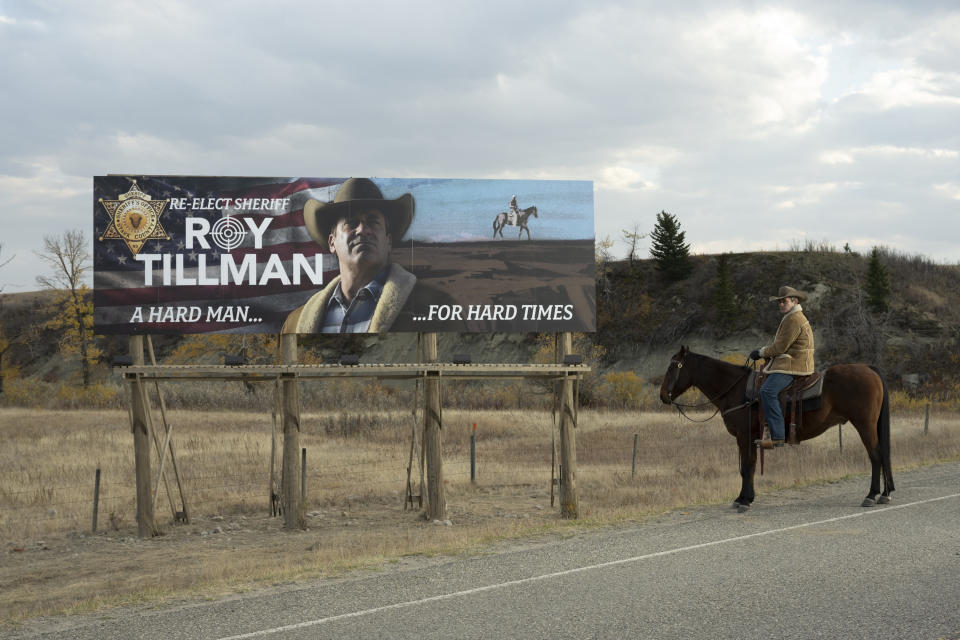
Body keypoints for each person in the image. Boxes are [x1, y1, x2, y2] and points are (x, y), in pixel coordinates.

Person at [282, 178, 456, 333]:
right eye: (351, 222)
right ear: (331, 242)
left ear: (388, 241)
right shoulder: (295, 324)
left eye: (373, 222)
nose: (363, 230)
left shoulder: (433, 308)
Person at [749, 285, 815, 448]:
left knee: (767, 391)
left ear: (794, 301)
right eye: (779, 302)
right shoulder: (793, 316)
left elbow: (779, 348)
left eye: (783, 301)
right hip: (792, 360)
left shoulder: (794, 319)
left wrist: (761, 352)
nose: (780, 304)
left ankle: (777, 436)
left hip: (794, 364)